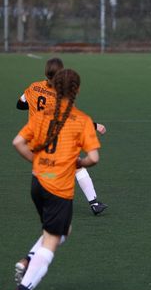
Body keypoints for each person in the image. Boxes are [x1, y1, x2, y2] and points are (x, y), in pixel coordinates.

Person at [10, 69, 101, 290]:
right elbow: (93, 158)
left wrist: (35, 161)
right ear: (76, 90)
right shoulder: (80, 119)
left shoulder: (41, 114)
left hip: (38, 182)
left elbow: (17, 142)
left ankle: (27, 260)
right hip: (58, 187)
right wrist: (80, 162)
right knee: (52, 239)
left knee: (62, 230)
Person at [17, 57, 108, 215]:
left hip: (34, 139)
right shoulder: (61, 95)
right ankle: (93, 203)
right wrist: (95, 126)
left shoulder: (34, 87)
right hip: (55, 139)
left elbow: (20, 105)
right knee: (76, 166)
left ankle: (52, 199)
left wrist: (35, 106)